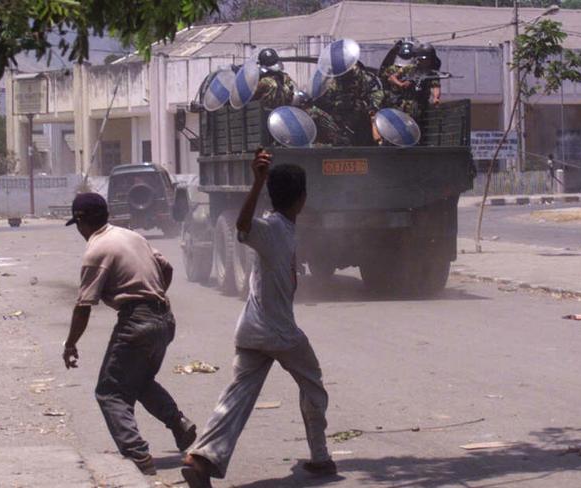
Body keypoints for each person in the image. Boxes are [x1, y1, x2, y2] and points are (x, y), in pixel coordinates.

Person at [181, 151, 336, 488]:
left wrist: (261, 185)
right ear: (302, 199)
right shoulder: (271, 228)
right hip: (279, 332)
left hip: (252, 330)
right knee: (314, 387)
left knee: (236, 397)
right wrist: (257, 182)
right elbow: (244, 226)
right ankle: (321, 457)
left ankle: (201, 459)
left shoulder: (283, 227)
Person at [62, 192, 196, 475]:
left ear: (82, 222)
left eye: (77, 224)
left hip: (137, 322)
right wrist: (155, 297)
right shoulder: (131, 236)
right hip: (164, 318)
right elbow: (166, 267)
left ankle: (138, 455)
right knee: (139, 380)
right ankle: (179, 425)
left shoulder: (96, 250)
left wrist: (70, 344)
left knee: (110, 392)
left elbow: (84, 306)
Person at [317, 62, 383, 146]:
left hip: (363, 117)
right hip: (340, 118)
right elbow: (325, 99)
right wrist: (338, 105)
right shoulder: (334, 81)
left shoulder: (367, 78)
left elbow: (377, 94)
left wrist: (369, 106)